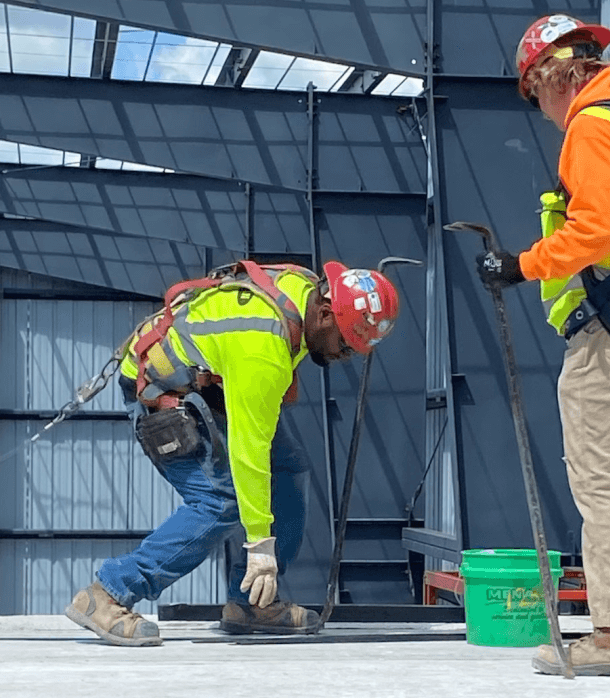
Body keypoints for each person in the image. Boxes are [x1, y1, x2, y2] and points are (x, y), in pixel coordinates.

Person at [475, 14, 610, 677]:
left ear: (554, 75)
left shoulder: (593, 127)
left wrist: (522, 264)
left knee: (601, 483)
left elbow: (594, 230)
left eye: (533, 93)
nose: (539, 109)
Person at [64, 260, 400, 646]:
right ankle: (107, 593)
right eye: (345, 343)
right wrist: (260, 546)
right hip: (161, 386)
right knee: (220, 501)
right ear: (325, 313)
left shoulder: (305, 289)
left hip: (212, 381)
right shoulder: (263, 350)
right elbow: (247, 449)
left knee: (289, 470)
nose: (345, 356)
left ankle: (251, 604)